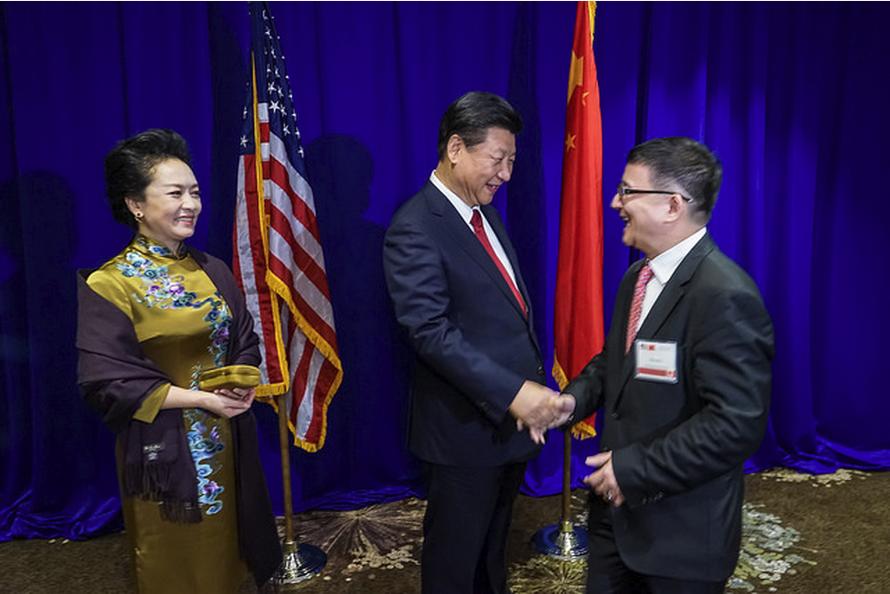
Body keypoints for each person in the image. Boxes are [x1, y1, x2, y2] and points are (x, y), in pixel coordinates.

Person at [552, 137, 774, 593]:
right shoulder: (638, 275)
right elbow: (618, 362)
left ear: (672, 205)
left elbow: (735, 425)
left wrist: (634, 470)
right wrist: (569, 402)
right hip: (615, 520)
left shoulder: (725, 296)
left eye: (627, 191)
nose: (615, 202)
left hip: (680, 537)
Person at [76, 129, 282, 593]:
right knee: (180, 563)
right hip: (163, 452)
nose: (191, 203)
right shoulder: (110, 284)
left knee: (236, 553)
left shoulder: (212, 269)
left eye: (195, 192)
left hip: (230, 437)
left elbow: (243, 338)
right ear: (136, 204)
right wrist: (201, 400)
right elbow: (105, 380)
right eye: (175, 193)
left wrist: (240, 382)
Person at [382, 92, 559, 594]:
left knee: (491, 550)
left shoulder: (485, 214)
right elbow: (429, 333)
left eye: (511, 162)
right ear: (456, 147)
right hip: (462, 429)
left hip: (506, 424)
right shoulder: (415, 227)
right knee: (454, 560)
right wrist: (513, 392)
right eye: (497, 159)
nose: (505, 174)